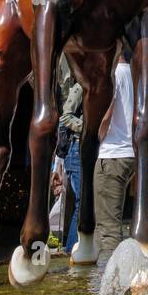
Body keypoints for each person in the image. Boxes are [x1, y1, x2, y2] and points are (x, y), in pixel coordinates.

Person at [94, 46, 135, 265]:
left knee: (107, 229)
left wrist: (94, 136)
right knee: (116, 223)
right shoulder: (135, 74)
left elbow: (106, 112)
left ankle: (110, 286)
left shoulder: (115, 75)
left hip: (112, 154)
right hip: (129, 153)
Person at [56, 56, 83, 253]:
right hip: (76, 149)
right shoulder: (80, 86)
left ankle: (74, 247)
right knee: (82, 202)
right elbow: (65, 117)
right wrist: (87, 127)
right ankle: (71, 248)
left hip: (85, 151)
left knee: (84, 203)